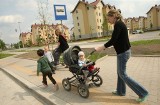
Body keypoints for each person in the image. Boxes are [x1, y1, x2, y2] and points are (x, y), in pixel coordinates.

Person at [95, 9, 148, 102]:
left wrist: (102, 47)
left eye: (108, 19)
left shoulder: (118, 24)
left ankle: (143, 93)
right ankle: (120, 91)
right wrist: (110, 46)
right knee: (120, 73)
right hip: (122, 52)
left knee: (123, 74)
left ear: (114, 16)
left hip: (123, 53)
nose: (108, 21)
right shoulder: (118, 24)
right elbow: (117, 40)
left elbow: (113, 39)